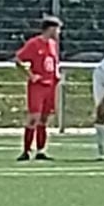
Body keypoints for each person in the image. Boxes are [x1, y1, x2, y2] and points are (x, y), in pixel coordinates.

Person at [13, 17, 62, 161]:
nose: (59, 32)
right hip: (38, 86)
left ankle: (41, 150)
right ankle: (26, 150)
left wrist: (56, 74)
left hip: (51, 85)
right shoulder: (34, 43)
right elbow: (18, 59)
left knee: (44, 118)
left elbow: (54, 62)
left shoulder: (53, 44)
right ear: (50, 29)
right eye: (57, 29)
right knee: (34, 117)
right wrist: (31, 75)